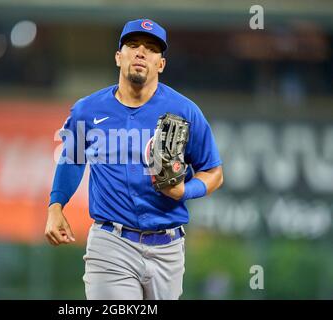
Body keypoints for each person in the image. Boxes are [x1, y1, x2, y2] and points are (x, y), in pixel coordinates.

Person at [45, 18, 223, 300]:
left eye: (151, 49)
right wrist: (56, 206)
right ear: (119, 57)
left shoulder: (185, 112)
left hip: (168, 247)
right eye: (133, 45)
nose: (141, 52)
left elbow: (213, 171)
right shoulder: (87, 111)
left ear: (161, 64)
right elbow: (72, 159)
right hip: (111, 243)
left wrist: (185, 190)